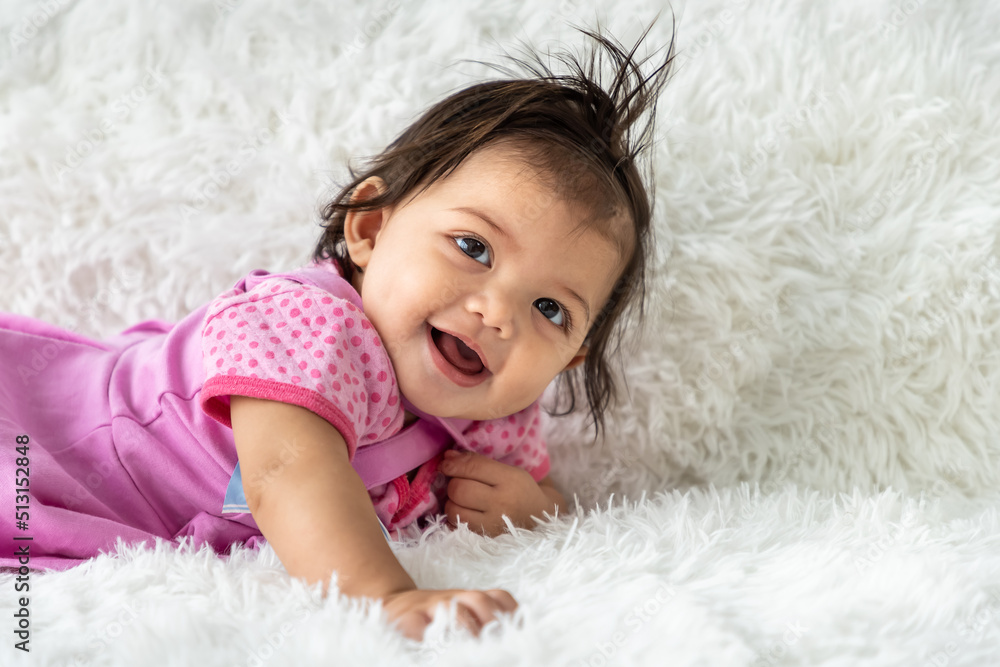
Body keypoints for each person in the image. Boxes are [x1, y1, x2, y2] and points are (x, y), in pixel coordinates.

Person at [0, 23, 675, 640]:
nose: (498, 312)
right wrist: (385, 595)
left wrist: (533, 504)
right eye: (473, 247)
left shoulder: (492, 415)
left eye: (550, 309)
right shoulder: (308, 326)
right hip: (55, 444)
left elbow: (534, 491)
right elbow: (286, 472)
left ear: (569, 356)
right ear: (370, 230)